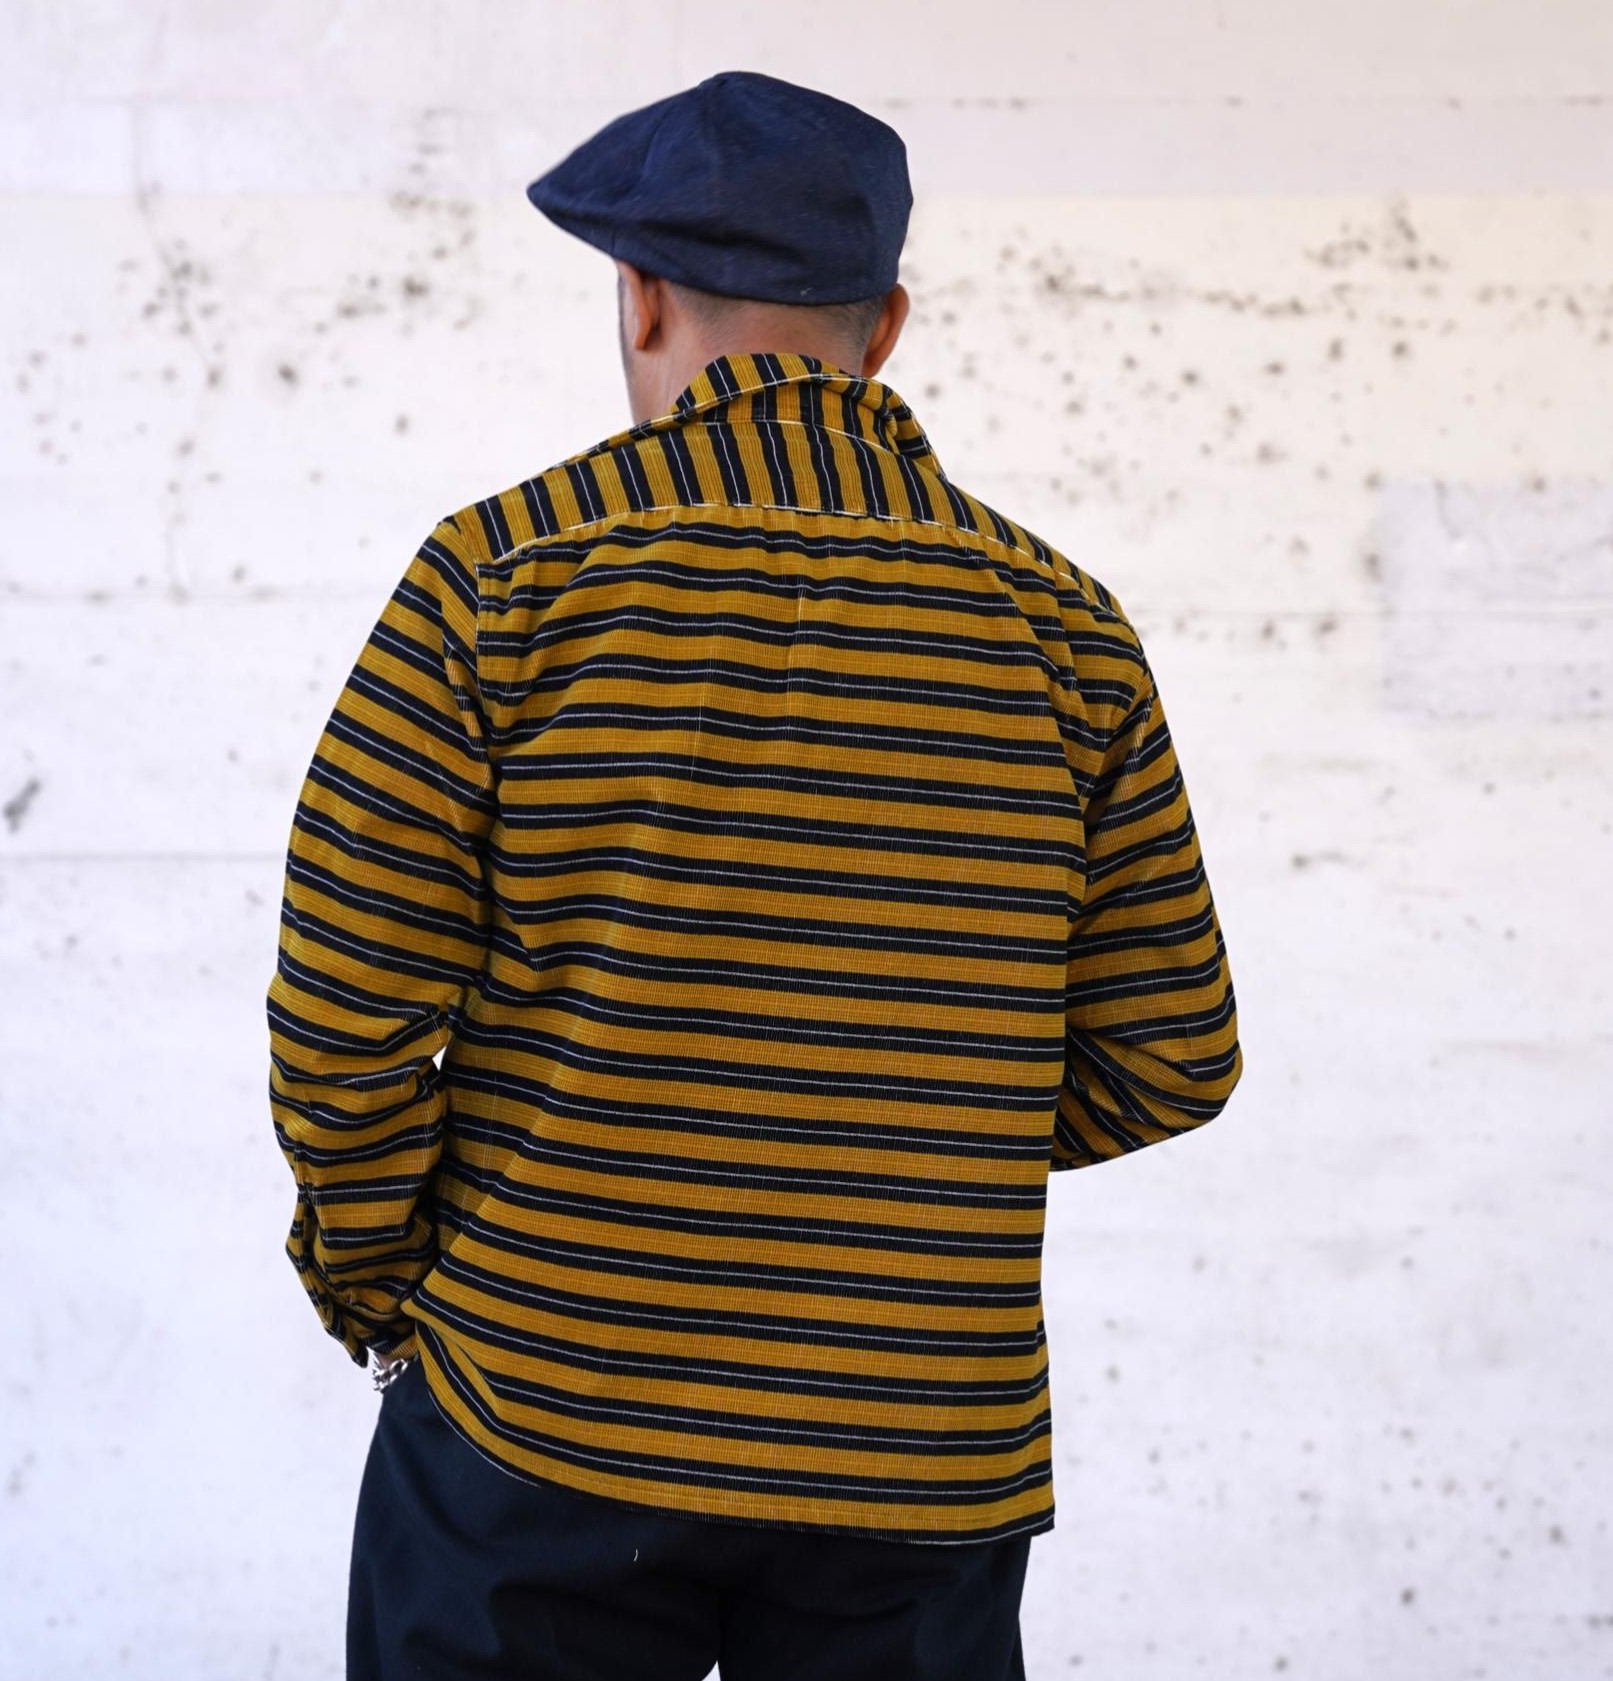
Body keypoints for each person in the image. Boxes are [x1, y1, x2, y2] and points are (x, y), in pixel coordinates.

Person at [264, 68, 1246, 1681]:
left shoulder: (500, 581)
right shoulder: (1065, 628)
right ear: (886, 325)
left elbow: (344, 1017)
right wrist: (901, 1143)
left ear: (640, 298)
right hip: (916, 1445)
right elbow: (1171, 1056)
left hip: (538, 1410)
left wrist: (385, 1289)